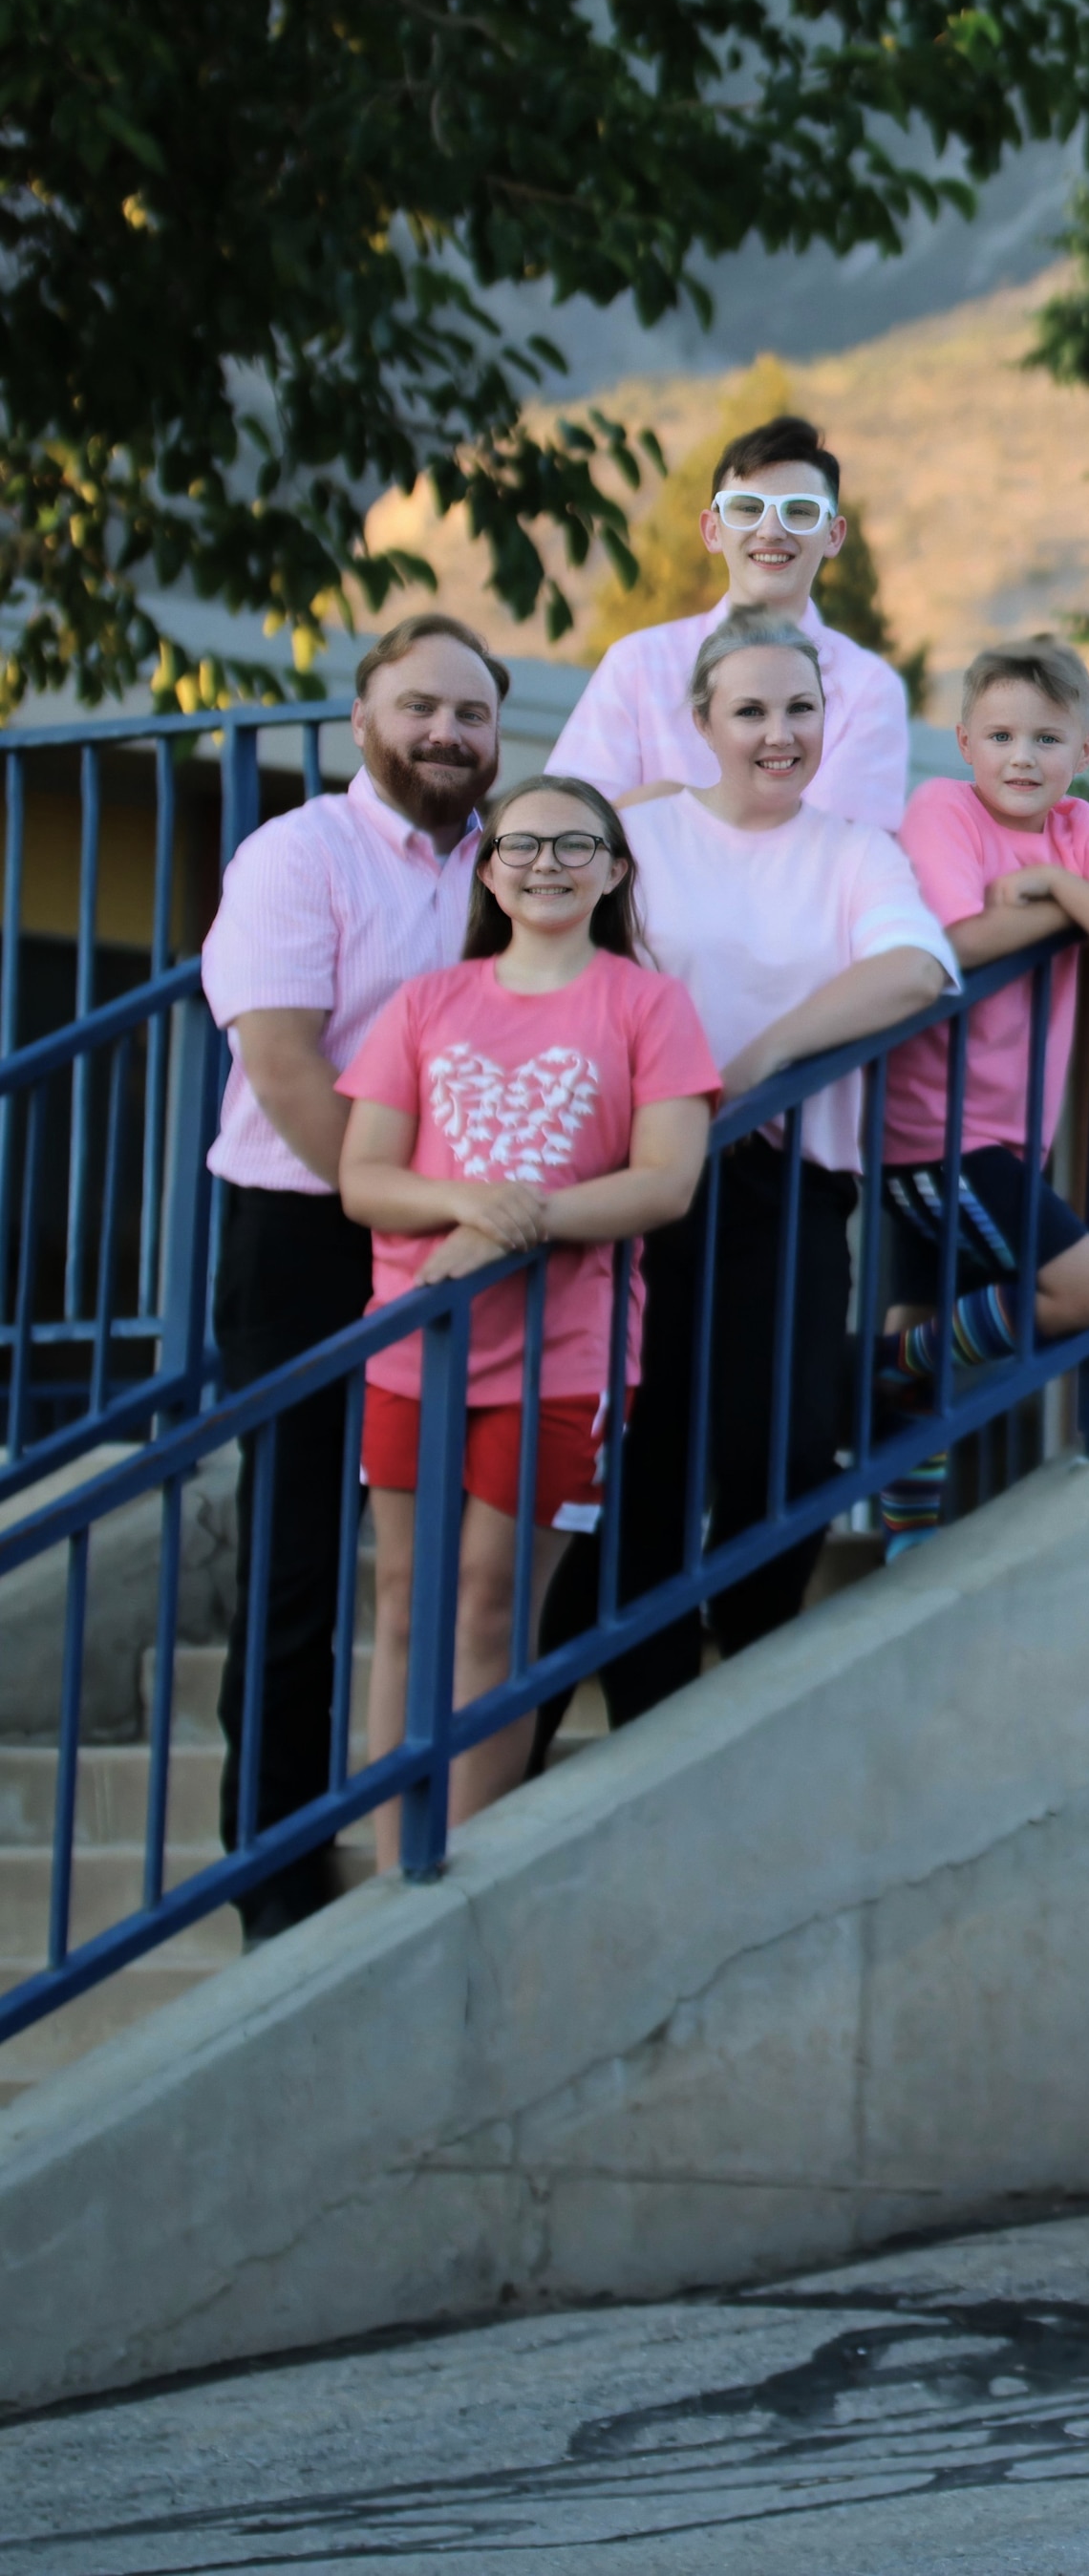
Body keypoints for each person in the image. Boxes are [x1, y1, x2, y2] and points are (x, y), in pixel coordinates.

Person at [566, 626, 957, 1732]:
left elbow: (914, 967)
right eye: (750, 712)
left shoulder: (852, 852)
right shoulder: (635, 835)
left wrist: (754, 1063)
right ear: (701, 724)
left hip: (785, 1181)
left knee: (782, 1444)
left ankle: (743, 1668)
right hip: (642, 1180)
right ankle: (647, 1703)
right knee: (648, 1450)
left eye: (799, 711)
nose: (778, 734)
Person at [332, 777, 716, 1863]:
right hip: (417, 1341)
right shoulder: (426, 1003)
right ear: (487, 869)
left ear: (615, 867)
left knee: (492, 1602)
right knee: (405, 1600)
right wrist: (467, 1206)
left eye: (574, 844)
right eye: (521, 845)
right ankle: (382, 1866)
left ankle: (452, 1863)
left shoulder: (649, 1004)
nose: (545, 863)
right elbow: (366, 1179)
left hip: (565, 1355)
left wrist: (516, 1226)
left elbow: (664, 1184)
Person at [198, 613, 501, 1934]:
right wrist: (397, 1214)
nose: (446, 732)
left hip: (476, 1239)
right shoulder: (297, 855)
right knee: (302, 1555)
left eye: (473, 715)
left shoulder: (519, 861)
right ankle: (270, 1867)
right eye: (420, 707)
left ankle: (457, 1818)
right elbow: (282, 1065)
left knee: (468, 1538)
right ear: (364, 723)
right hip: (307, 1227)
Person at [867, 640, 1089, 1528]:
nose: (1021, 757)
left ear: (1084, 752)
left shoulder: (1076, 830)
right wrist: (1082, 905)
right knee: (1085, 1290)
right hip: (938, 1131)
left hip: (1006, 1137)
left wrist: (1056, 886)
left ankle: (905, 1537)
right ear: (964, 741)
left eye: (1047, 739)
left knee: (926, 1321)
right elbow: (952, 944)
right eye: (1000, 735)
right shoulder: (942, 807)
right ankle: (877, 1364)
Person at [549, 417, 913, 831]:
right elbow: (564, 827)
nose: (771, 531)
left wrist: (665, 806)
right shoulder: (637, 664)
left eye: (800, 511)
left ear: (833, 535)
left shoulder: (868, 686)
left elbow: (838, 854)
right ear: (712, 530)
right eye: (747, 508)